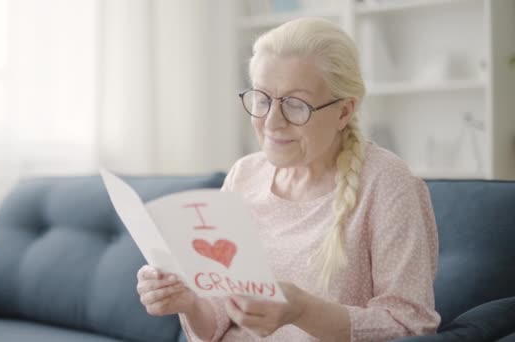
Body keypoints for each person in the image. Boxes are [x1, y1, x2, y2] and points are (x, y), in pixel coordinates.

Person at [136, 17, 440, 341]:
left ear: (343, 111)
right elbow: (217, 322)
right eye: (262, 99)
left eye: (296, 104)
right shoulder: (243, 176)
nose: (271, 122)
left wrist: (303, 311)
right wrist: (188, 303)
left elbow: (412, 325)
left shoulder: (387, 183)